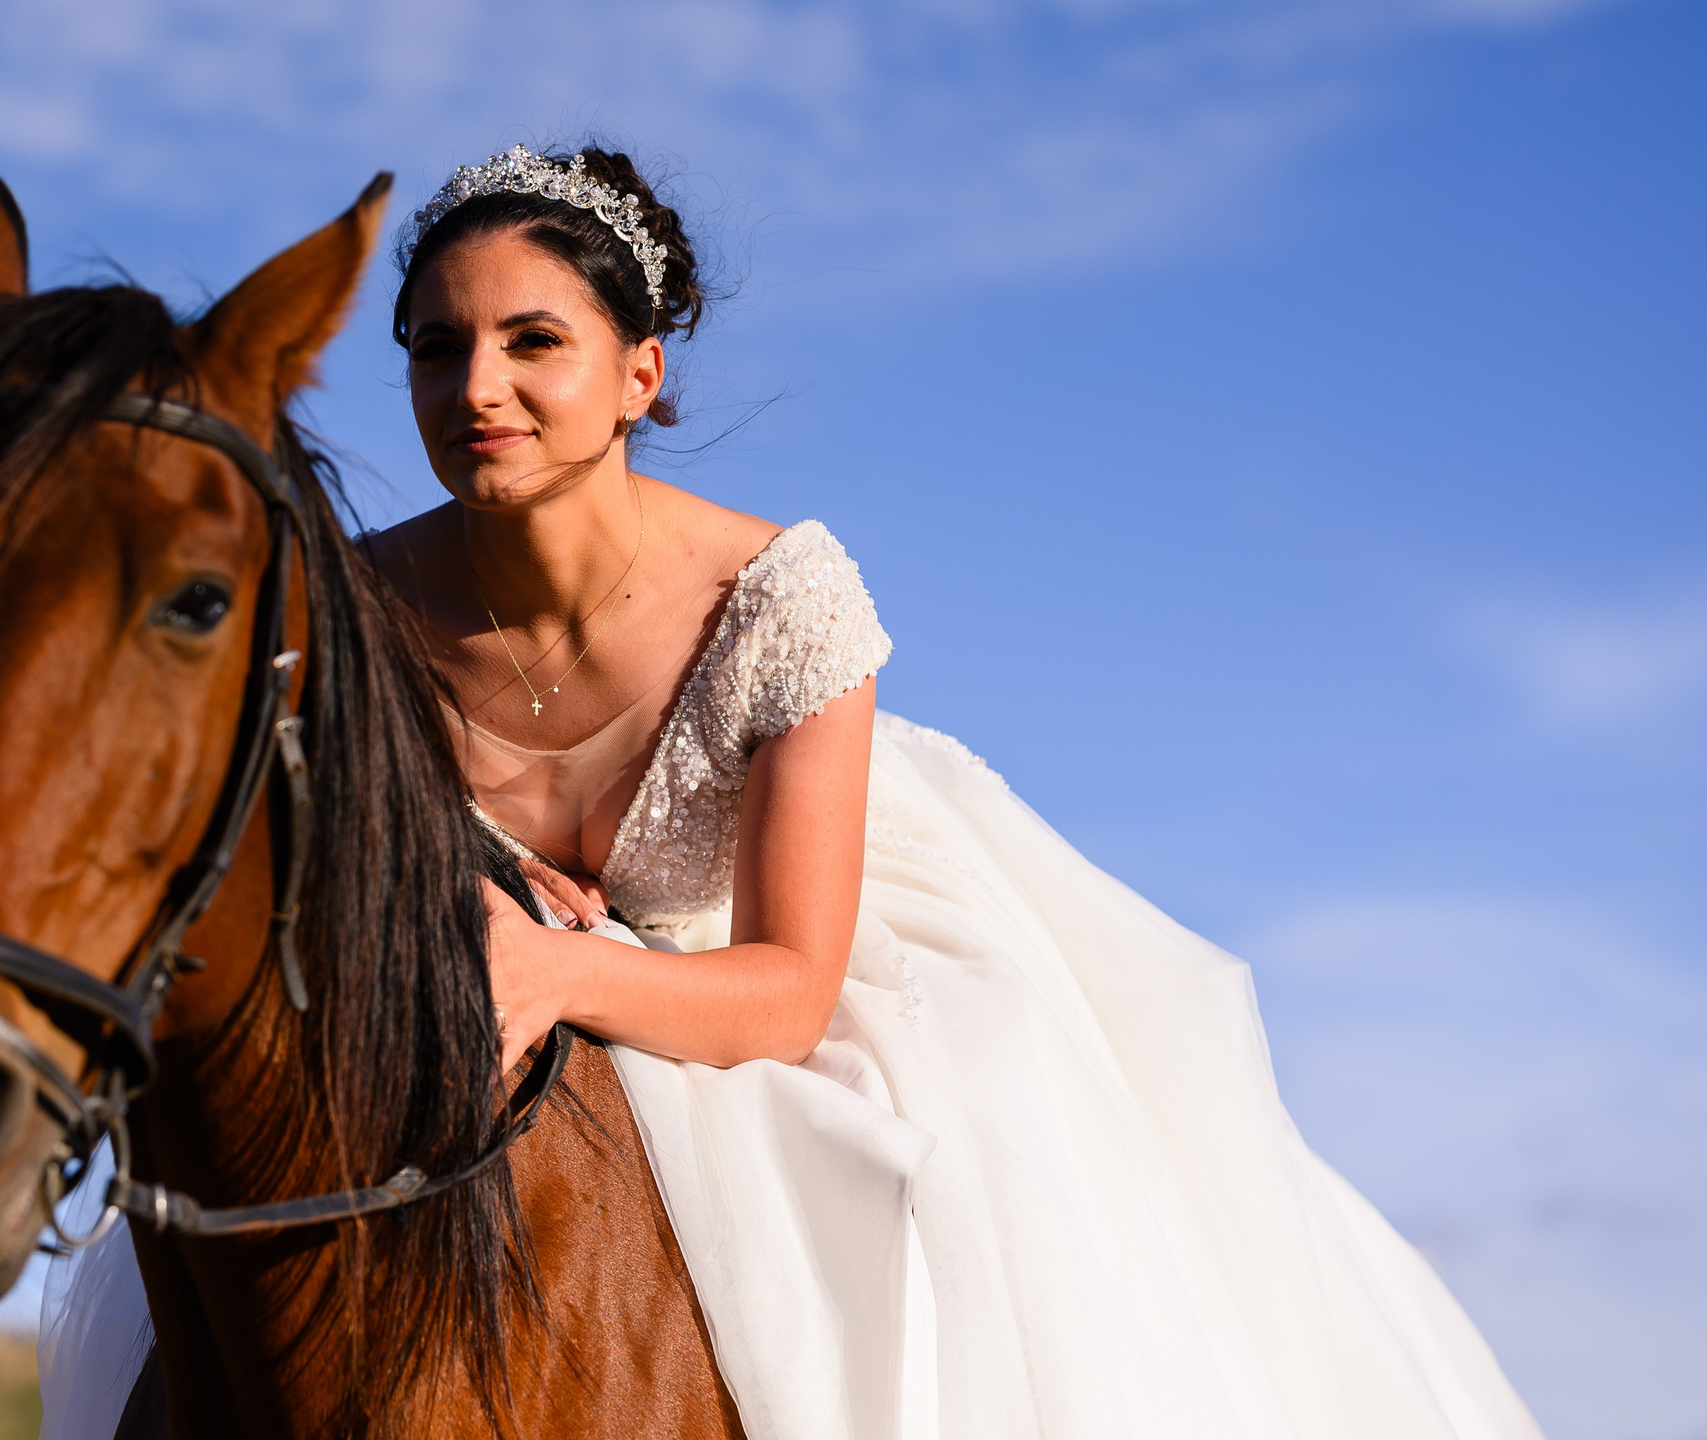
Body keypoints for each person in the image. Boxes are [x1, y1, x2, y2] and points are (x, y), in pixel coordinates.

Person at [349, 143, 1545, 1440]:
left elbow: (794, 988)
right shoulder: (347, 610)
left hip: (762, 972)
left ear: (638, 373)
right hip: (482, 1006)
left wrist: (561, 973)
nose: (478, 387)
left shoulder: (779, 603)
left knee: (960, 1179)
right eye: (434, 346)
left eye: (534, 341)